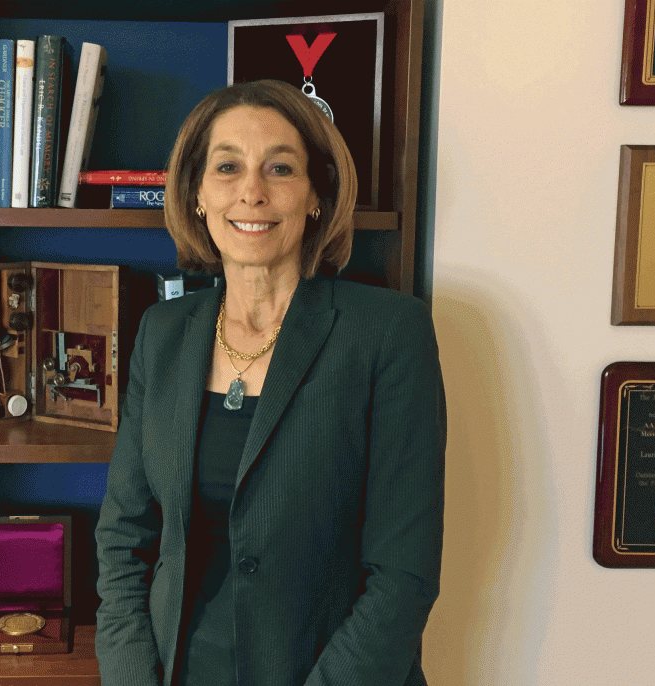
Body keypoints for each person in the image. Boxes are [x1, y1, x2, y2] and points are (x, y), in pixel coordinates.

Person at [95, 79, 446, 686]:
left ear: (316, 195)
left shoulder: (388, 332)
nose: (251, 192)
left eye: (280, 168)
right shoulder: (163, 334)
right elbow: (124, 536)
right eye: (227, 166)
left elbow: (404, 573)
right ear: (197, 194)